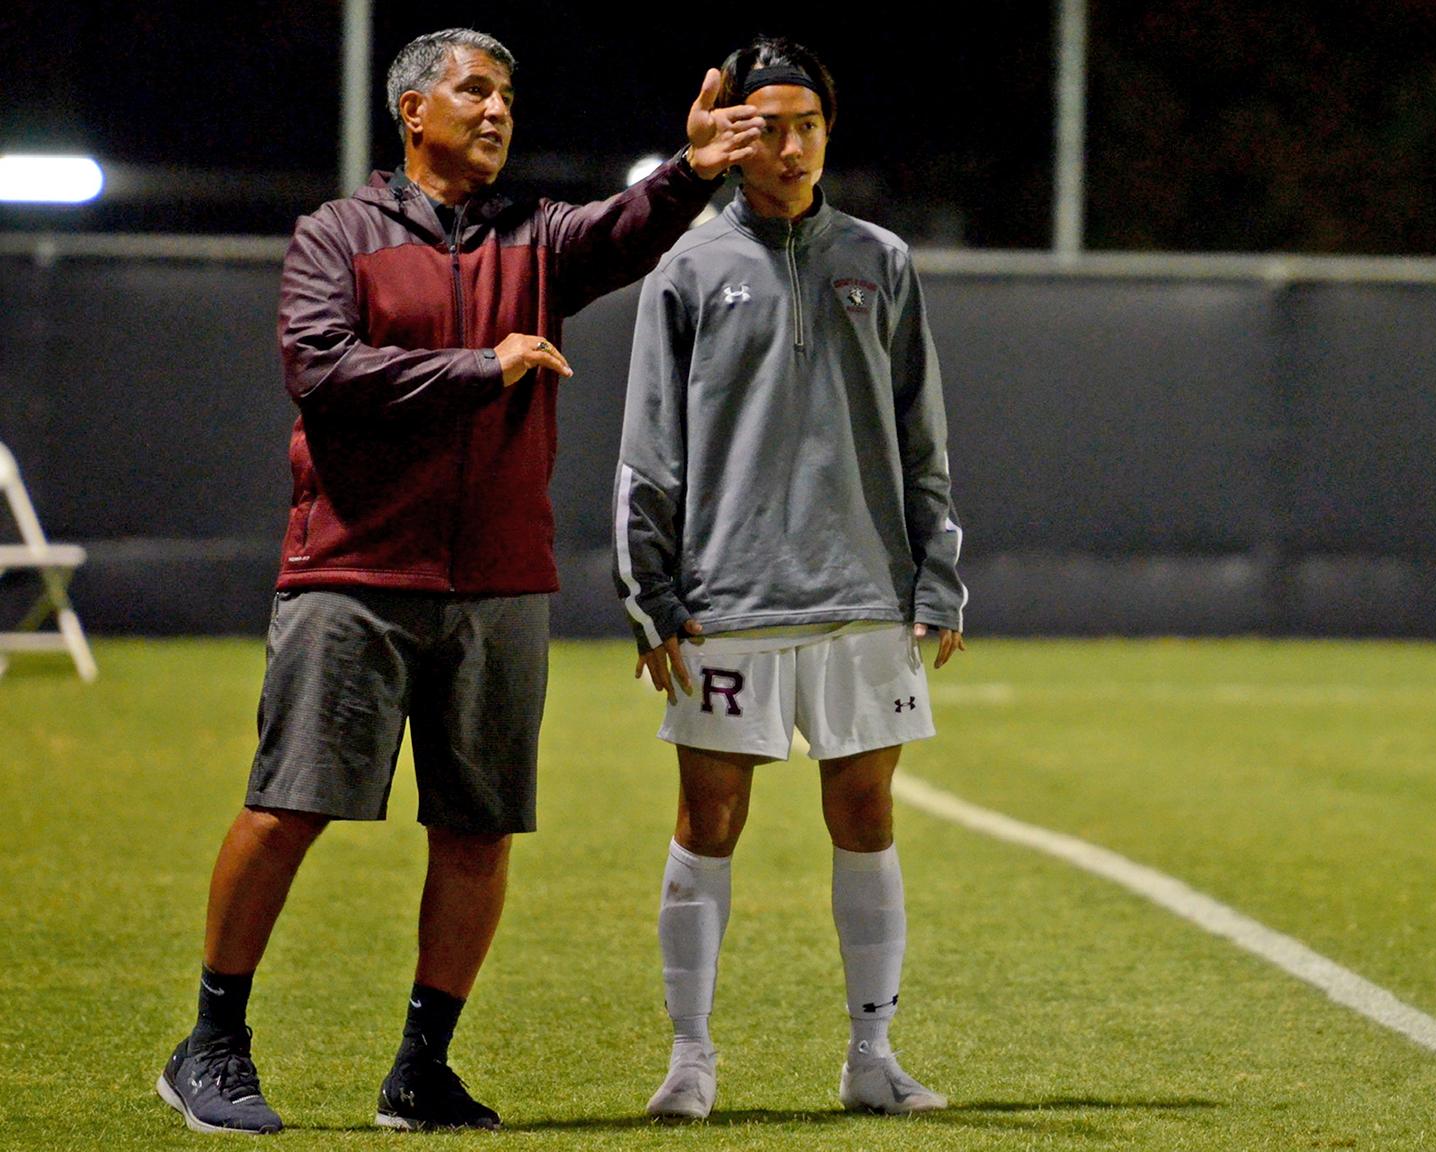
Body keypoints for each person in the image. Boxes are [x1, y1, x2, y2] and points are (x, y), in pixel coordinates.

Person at [155, 27, 764, 1136]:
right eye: (474, 91)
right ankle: (210, 1042)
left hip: (496, 579)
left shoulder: (534, 239)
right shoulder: (334, 234)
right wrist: (482, 367)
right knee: (288, 807)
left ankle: (420, 1070)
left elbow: (622, 231)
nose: (496, 111)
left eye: (508, 97)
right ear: (412, 113)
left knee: (477, 829)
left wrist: (693, 172)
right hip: (352, 569)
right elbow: (322, 370)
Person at [612, 35, 966, 1120]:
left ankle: (873, 1060)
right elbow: (647, 447)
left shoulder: (880, 259)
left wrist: (938, 576)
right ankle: (690, 1060)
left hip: (864, 595)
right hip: (729, 600)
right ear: (733, 133)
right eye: (770, 124)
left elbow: (922, 435)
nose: (793, 143)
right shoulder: (685, 267)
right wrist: (652, 593)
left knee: (867, 814)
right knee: (707, 821)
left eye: (809, 123)